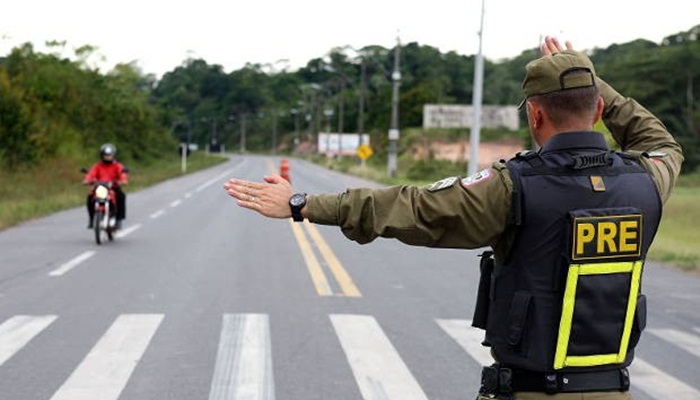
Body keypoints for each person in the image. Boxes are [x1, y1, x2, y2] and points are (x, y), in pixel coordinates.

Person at [223, 37, 683, 399]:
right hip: (612, 389)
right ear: (600, 110)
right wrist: (587, 79)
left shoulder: (512, 186)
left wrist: (302, 204)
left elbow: (411, 207)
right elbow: (659, 140)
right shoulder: (646, 180)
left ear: (535, 115)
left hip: (528, 391)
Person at [83, 143, 128, 229]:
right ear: (102, 155)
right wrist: (87, 180)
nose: (107, 157)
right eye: (105, 155)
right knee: (90, 197)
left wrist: (122, 180)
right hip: (100, 188)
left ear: (113, 155)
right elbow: (91, 174)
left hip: (113, 188)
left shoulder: (117, 166)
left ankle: (119, 219)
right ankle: (92, 219)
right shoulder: (97, 166)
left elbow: (122, 174)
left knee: (121, 196)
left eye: (109, 155)